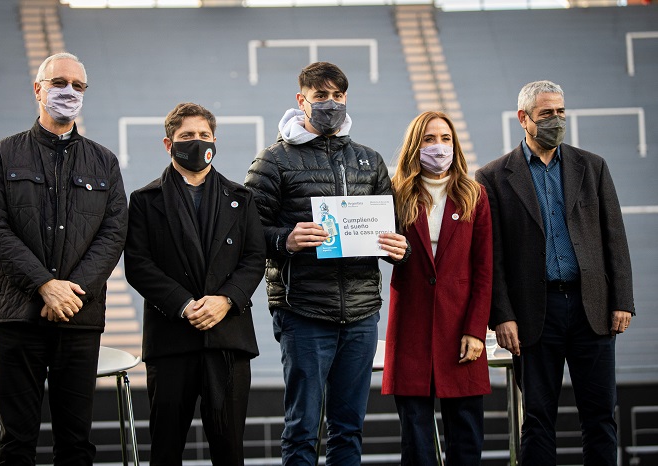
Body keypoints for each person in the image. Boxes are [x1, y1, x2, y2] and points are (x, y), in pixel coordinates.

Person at [244, 61, 409, 465]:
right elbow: (246, 234)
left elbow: (394, 228)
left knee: (348, 429)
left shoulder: (369, 160)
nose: (330, 104)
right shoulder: (273, 161)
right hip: (303, 311)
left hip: (360, 311)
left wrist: (396, 245)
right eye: (321, 97)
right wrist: (287, 239)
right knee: (302, 429)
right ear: (302, 100)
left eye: (337, 96)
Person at [0, 52, 128, 465]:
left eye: (78, 86)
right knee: (17, 443)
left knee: (76, 443)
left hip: (78, 316)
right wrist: (45, 284)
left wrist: (70, 293)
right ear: (38, 89)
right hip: (16, 315)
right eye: (59, 82)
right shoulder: (2, 155)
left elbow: (113, 234)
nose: (69, 92)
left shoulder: (104, 162)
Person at [475, 80, 634, 466]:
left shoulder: (592, 166)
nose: (557, 120)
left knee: (599, 417)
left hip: (590, 308)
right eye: (547, 113)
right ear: (523, 119)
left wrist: (622, 301)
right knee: (537, 419)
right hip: (533, 314)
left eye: (561, 112)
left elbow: (614, 236)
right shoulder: (493, 177)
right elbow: (490, 257)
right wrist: (502, 315)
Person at [124, 102, 265, 466]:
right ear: (168, 144)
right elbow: (138, 266)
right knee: (166, 449)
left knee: (229, 451)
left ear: (214, 140)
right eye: (187, 135)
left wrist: (225, 301)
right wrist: (186, 305)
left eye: (203, 135)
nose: (197, 141)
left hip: (228, 339)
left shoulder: (242, 198)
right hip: (171, 340)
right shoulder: (143, 201)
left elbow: (253, 260)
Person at [382, 111, 493, 465]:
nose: (439, 146)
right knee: (416, 444)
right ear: (416, 145)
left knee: (466, 440)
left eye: (445, 139)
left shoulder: (475, 195)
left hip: (460, 330)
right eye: (430, 139)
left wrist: (475, 331)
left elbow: (484, 270)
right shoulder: (393, 194)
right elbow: (377, 248)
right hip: (411, 327)